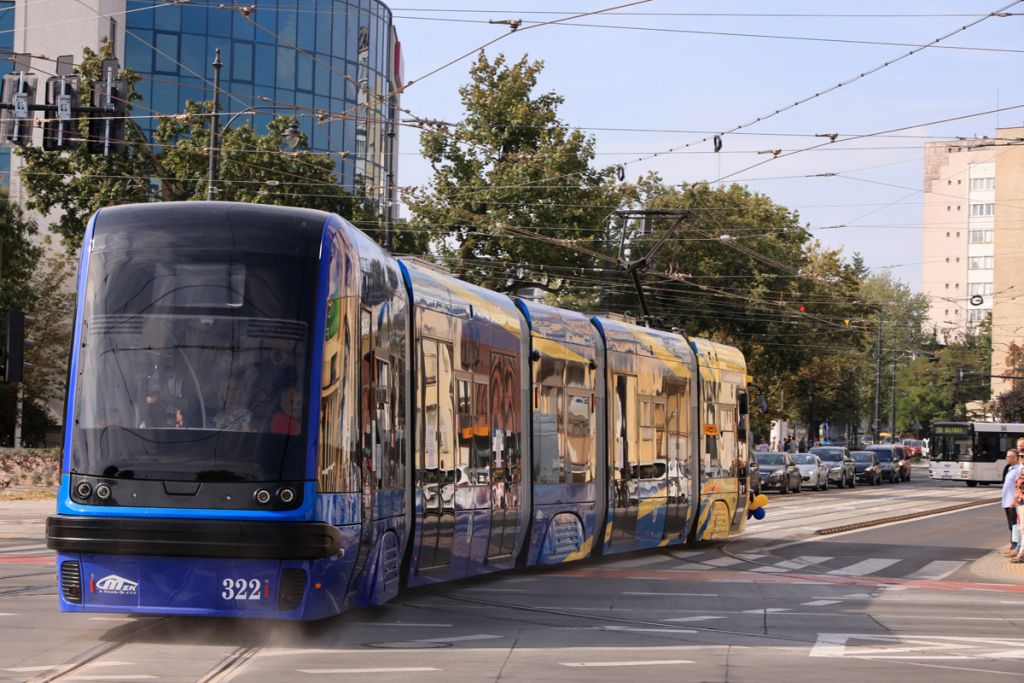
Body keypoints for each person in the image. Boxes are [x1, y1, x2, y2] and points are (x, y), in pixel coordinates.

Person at [1001, 449, 1020, 556]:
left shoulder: (1018, 469)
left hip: (1013, 502)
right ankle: (1012, 546)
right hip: (1007, 502)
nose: (1006, 458)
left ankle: (1015, 547)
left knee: (1014, 525)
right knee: (1011, 525)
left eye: (1008, 456)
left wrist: (1015, 499)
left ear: (1014, 458)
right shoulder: (1010, 468)